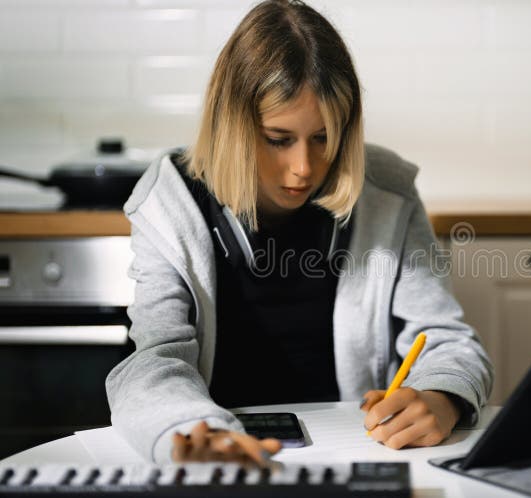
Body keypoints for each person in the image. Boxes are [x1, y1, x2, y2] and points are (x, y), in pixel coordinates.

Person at [106, 0, 493, 465]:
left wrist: (441, 397)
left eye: (324, 136)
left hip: (356, 452)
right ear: (233, 126)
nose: (304, 168)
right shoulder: (170, 199)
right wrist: (193, 432)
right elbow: (152, 361)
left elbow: (446, 339)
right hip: (226, 457)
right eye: (278, 139)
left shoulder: (387, 190)